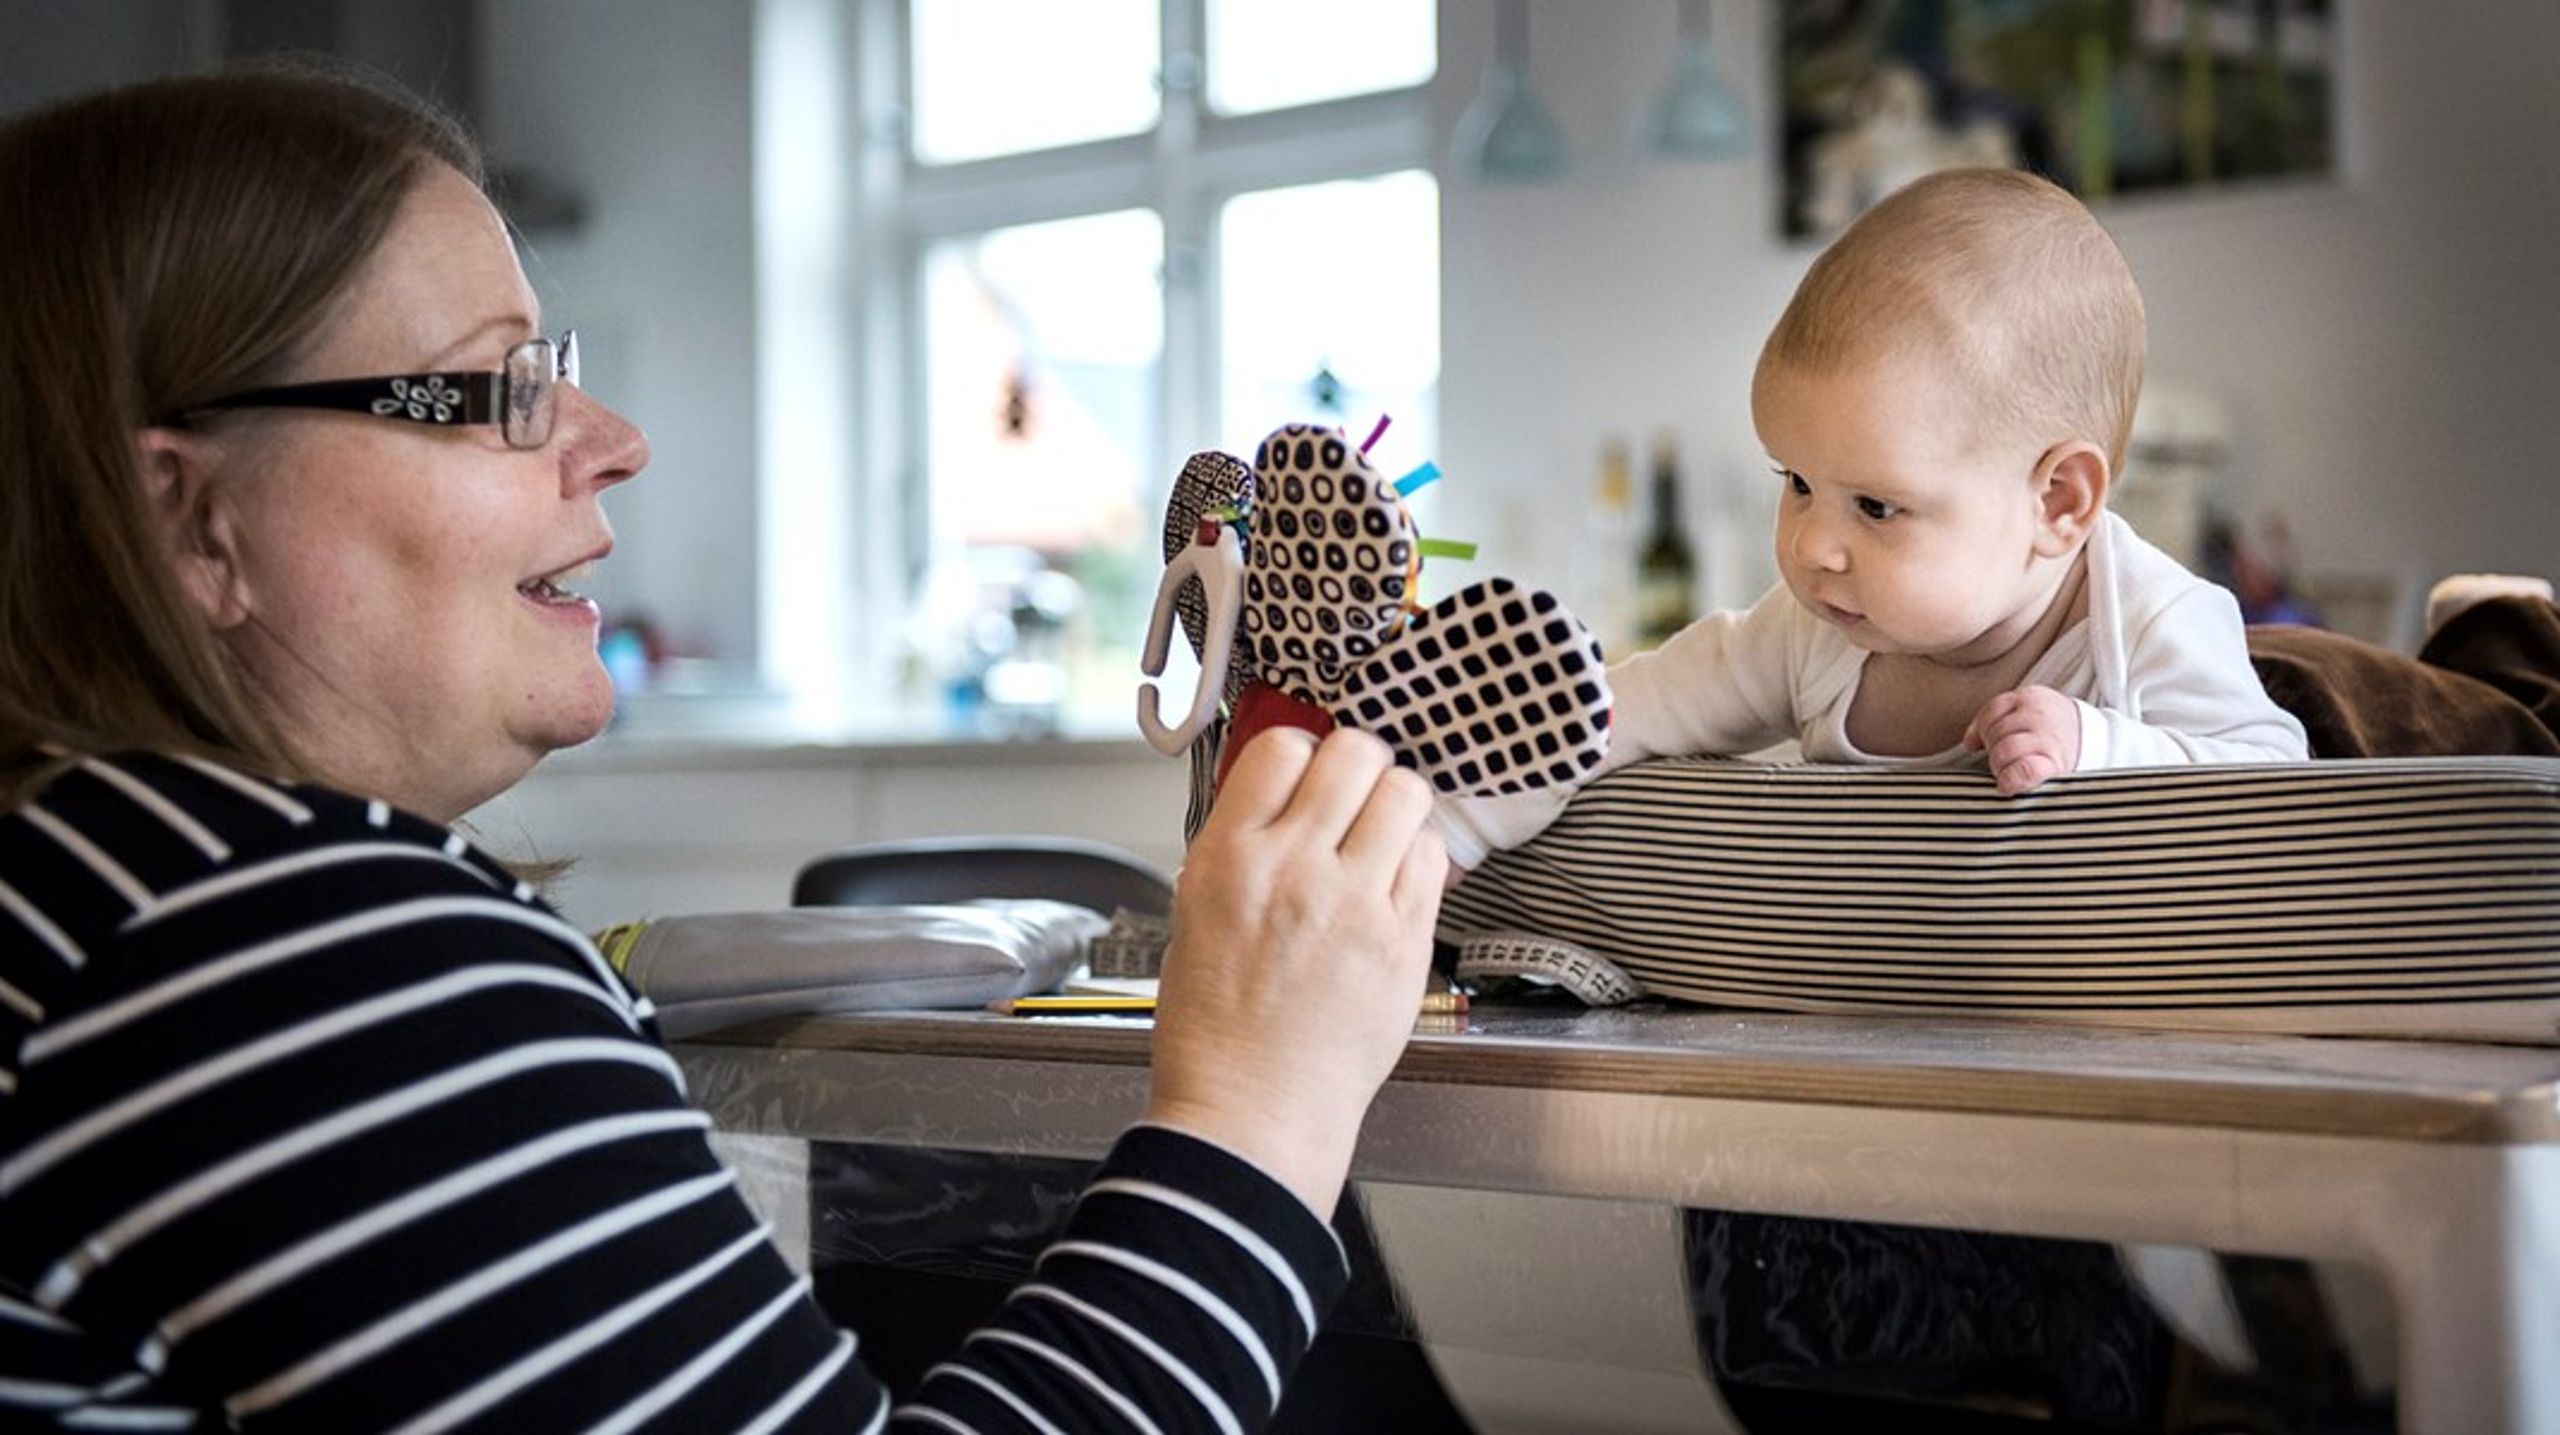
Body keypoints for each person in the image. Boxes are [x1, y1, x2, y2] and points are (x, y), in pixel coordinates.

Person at [0, 66, 1446, 1430]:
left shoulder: (86, 885)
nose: (614, 438)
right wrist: (1256, 1111)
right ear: (194, 522)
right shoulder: (293, 954)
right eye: (499, 385)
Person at [1439, 167, 2308, 869]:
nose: (1813, 544)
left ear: (2057, 502)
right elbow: (1611, 714)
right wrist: (1452, 831)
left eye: (1877, 506)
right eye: (1796, 481)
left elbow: (2282, 795)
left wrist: (2102, 748)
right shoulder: (1811, 635)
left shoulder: (2146, 623)